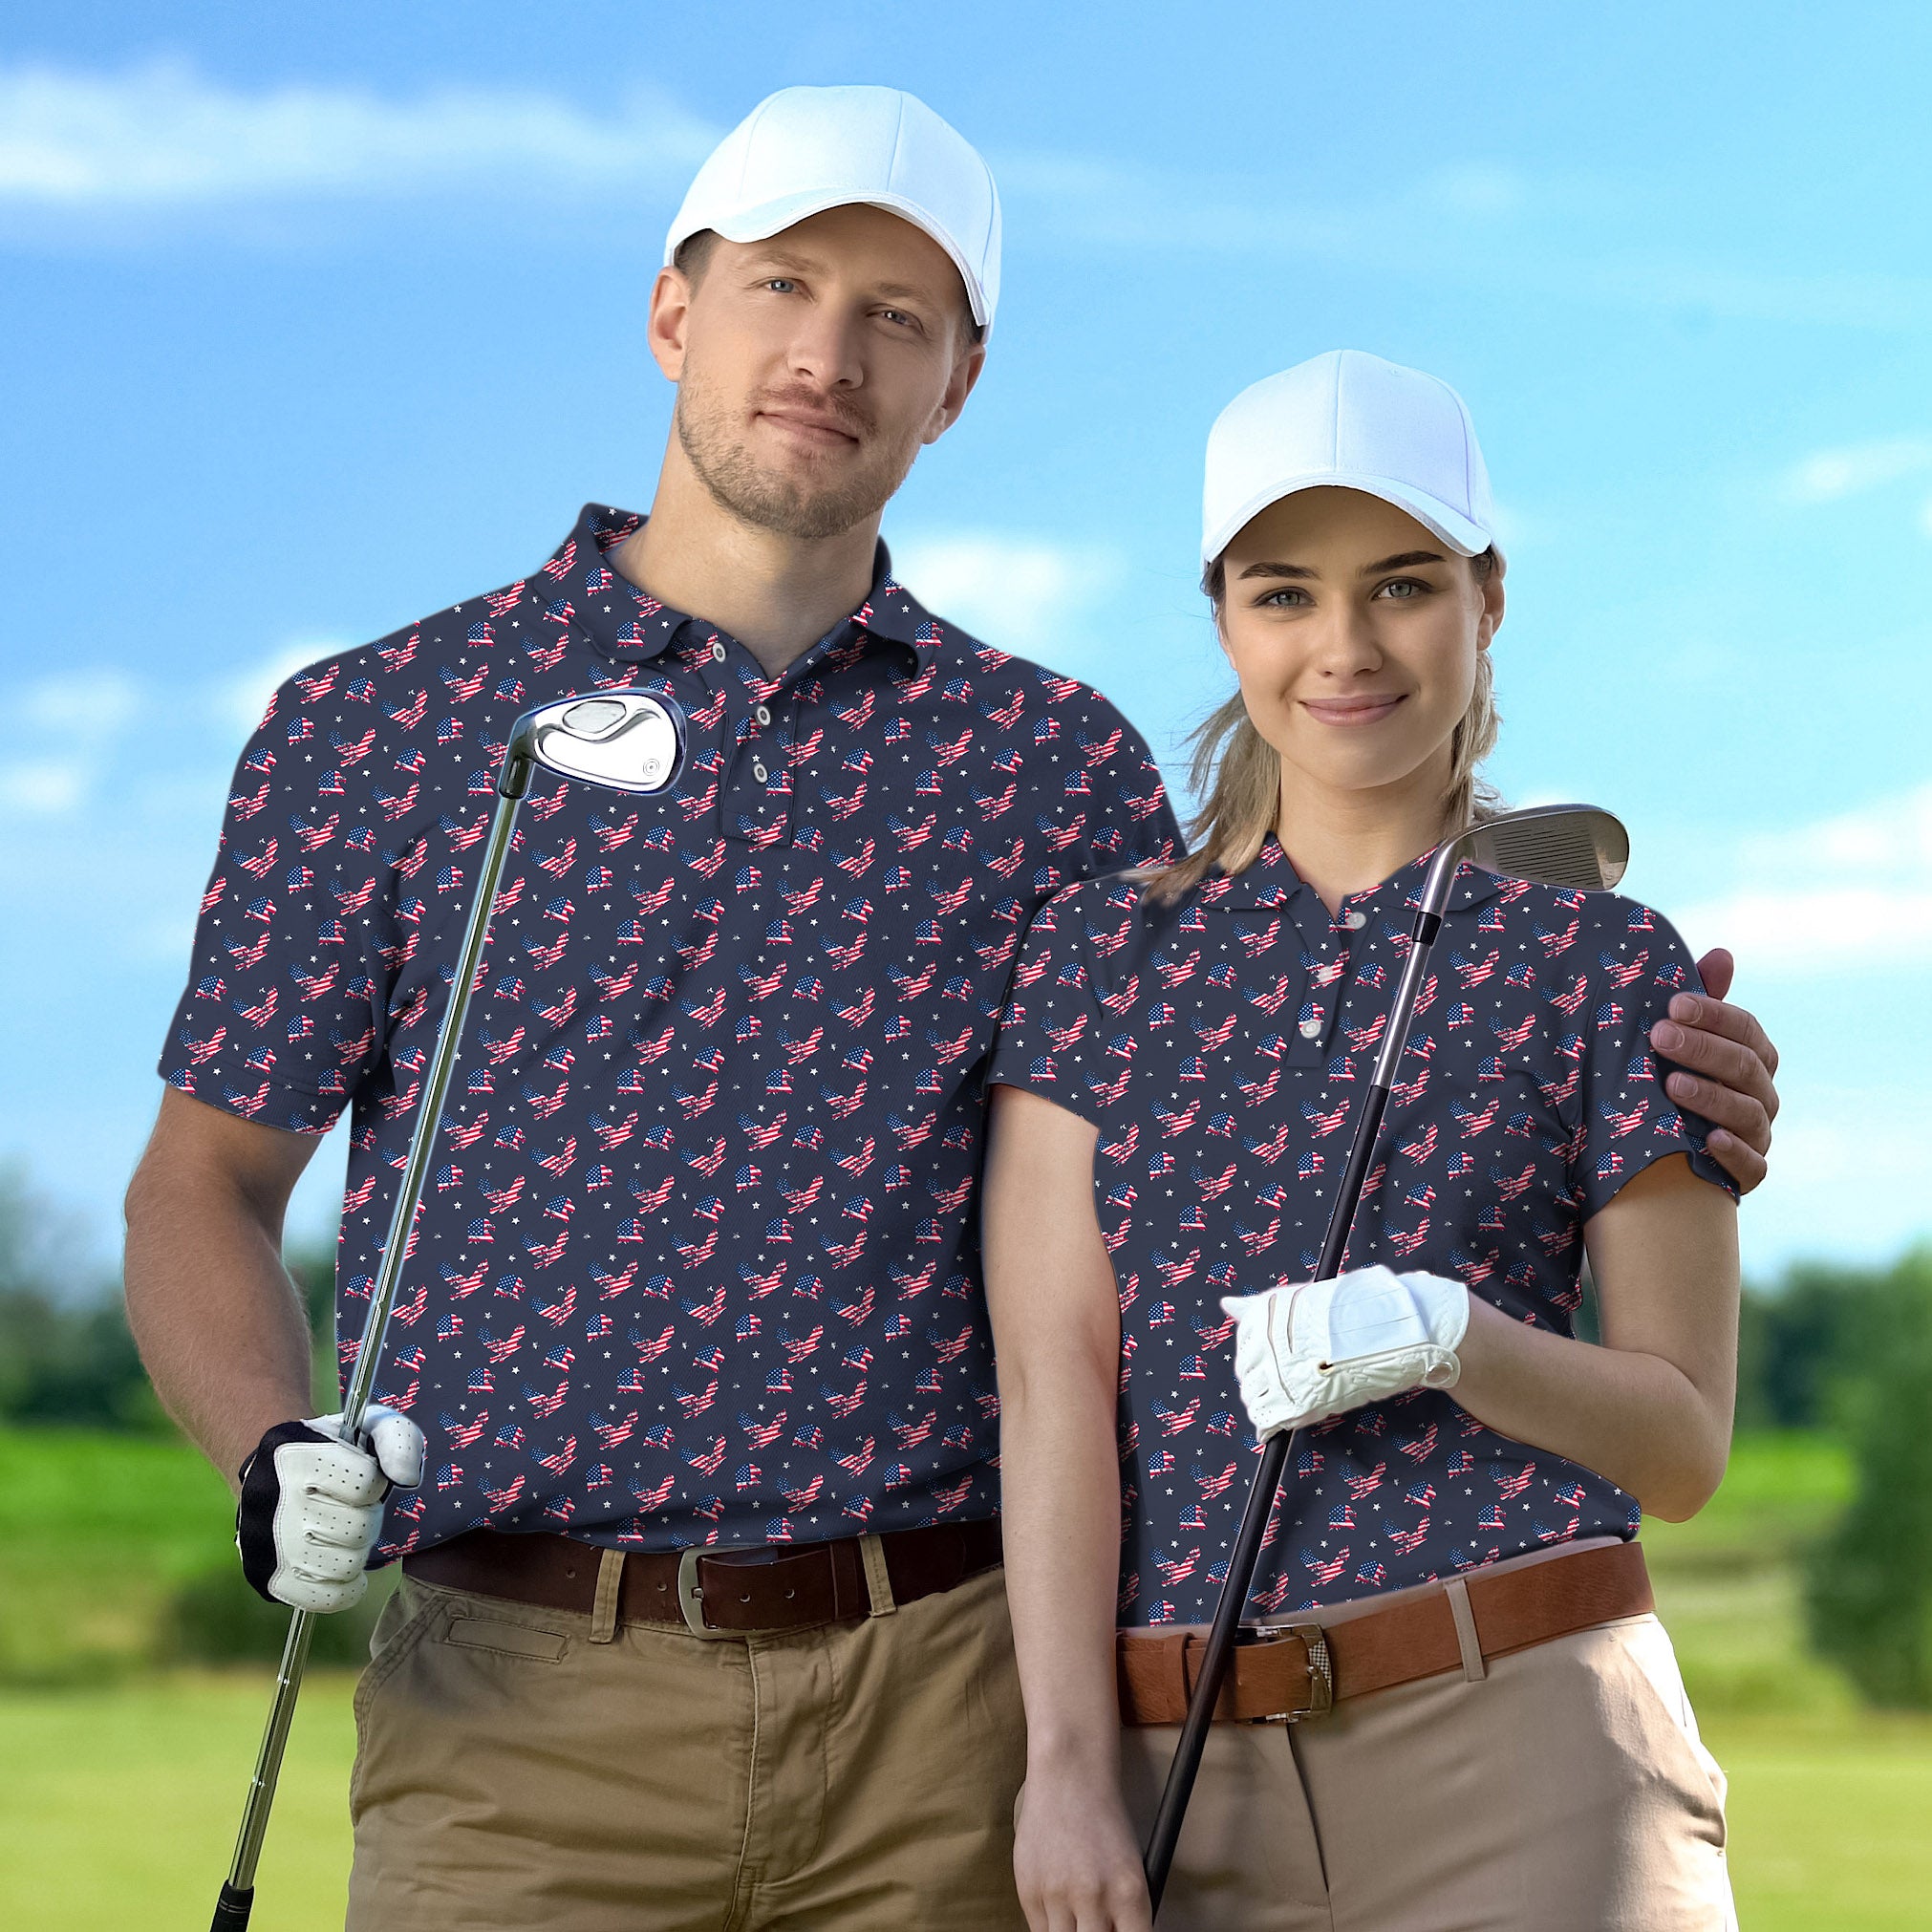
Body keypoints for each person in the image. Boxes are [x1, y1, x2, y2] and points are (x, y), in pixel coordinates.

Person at [118, 82, 1778, 1928]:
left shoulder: (1048, 767)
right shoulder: (387, 729)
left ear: (959, 379)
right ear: (674, 310)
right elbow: (201, 1185)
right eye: (781, 286)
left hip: (947, 1705)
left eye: (894, 317)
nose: (827, 354)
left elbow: (1269, 1040)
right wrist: (272, 1450)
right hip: (515, 1712)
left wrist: (1614, 1016)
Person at [984, 351, 1748, 1930]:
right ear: (1220, 618)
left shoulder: (1604, 961)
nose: (1343, 647)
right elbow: (1054, 1378)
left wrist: (1449, 1335)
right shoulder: (1095, 962)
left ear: (1485, 600)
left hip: (1529, 1735)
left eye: (1400, 585)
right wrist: (1062, 1762)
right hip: (1183, 1772)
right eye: (1283, 594)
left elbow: (1678, 1447)